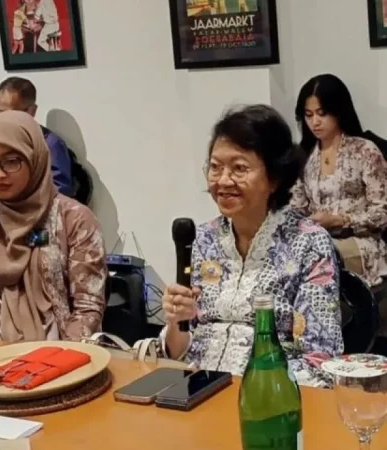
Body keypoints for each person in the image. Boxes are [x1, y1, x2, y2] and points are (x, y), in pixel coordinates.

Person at [161, 105, 343, 388]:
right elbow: (179, 351)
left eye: (239, 169)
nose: (223, 181)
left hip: (270, 394)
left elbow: (320, 359)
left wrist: (251, 389)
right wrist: (176, 322)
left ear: (274, 177)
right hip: (197, 388)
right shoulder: (203, 239)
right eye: (215, 167)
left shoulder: (308, 242)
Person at [0, 110, 106, 342]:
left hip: (62, 350)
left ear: (35, 159)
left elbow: (87, 308)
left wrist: (56, 356)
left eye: (11, 161)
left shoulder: (74, 219)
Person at [290, 74, 387, 287]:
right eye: (308, 115)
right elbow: (296, 209)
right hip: (315, 242)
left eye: (322, 114)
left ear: (339, 111)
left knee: (320, 256)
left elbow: (382, 213)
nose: (314, 122)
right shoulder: (304, 156)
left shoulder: (364, 151)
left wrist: (338, 220)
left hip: (361, 244)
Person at [0, 77, 74, 199]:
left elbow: (60, 189)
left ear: (32, 111)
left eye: (13, 114)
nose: (5, 119)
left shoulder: (50, 143)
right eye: (1, 112)